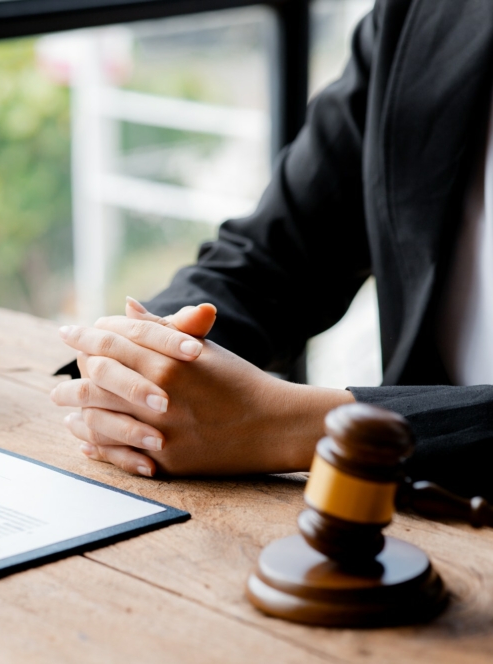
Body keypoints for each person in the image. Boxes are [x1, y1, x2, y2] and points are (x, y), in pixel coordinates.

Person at [50, 0, 493, 499]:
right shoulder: (426, 11)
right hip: (405, 515)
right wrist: (148, 355)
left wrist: (290, 425)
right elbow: (274, 254)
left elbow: (267, 421)